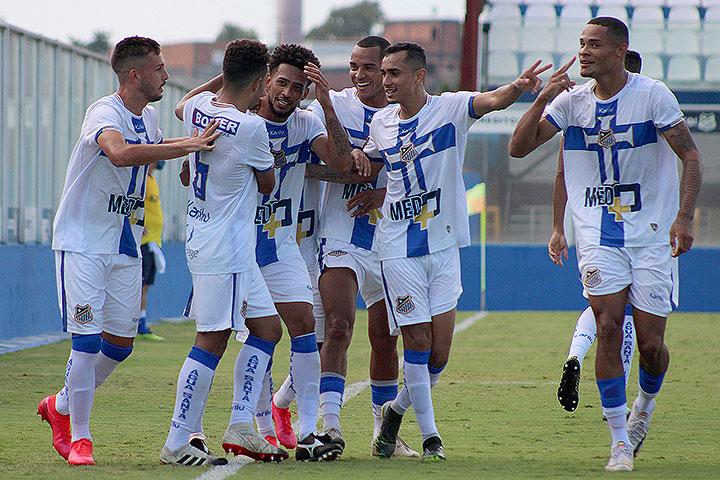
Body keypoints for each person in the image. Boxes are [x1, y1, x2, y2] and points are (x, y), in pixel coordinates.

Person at [510, 18, 702, 472]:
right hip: (597, 236)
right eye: (580, 44)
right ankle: (618, 442)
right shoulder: (570, 103)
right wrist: (541, 96)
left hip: (652, 236)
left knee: (652, 345)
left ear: (620, 51)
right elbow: (519, 149)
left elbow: (690, 155)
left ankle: (645, 408)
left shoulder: (653, 95)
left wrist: (684, 216)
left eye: (594, 44)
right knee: (609, 325)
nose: (584, 52)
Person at [37, 36, 220, 466]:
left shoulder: (151, 116)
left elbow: (158, 153)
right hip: (83, 245)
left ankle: (60, 405)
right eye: (159, 68)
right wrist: (183, 147)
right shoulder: (104, 112)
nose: (166, 75)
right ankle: (79, 437)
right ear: (134, 74)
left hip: (125, 244)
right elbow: (118, 154)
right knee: (85, 341)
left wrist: (189, 155)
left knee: (120, 344)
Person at [369, 42, 551, 461]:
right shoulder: (381, 123)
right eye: (384, 73)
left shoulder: (451, 108)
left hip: (445, 243)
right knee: (415, 339)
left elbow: (490, 101)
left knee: (440, 353)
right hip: (397, 246)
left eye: (394, 73)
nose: (386, 81)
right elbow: (368, 160)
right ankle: (432, 437)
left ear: (419, 76)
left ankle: (395, 411)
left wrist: (520, 87)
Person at [278, 35, 417, 458]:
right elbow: (303, 157)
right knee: (337, 328)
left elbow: (416, 173)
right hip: (337, 235)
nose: (359, 75)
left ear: (389, 70)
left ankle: (383, 431)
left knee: (384, 339)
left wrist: (381, 191)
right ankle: (331, 427)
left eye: (370, 68)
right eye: (354, 66)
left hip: (389, 239)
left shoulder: (405, 115)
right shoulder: (329, 104)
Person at [161, 38, 288, 467]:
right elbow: (269, 184)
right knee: (212, 339)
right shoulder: (252, 128)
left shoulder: (199, 109)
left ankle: (240, 424)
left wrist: (231, 79)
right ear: (259, 82)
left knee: (268, 329)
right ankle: (178, 438)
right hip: (226, 248)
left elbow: (183, 106)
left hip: (213, 238)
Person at [249, 43, 363, 461]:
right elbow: (188, 114)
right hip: (240, 248)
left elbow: (341, 162)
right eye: (282, 83)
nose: (288, 93)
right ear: (265, 80)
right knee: (253, 339)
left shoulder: (306, 120)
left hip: (288, 246)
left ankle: (309, 428)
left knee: (306, 332)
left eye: (298, 87)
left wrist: (326, 103)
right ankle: (259, 427)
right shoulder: (242, 120)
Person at [552, 50, 643, 413]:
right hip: (634, 222)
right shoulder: (646, 110)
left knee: (603, 306)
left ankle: (575, 355)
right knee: (629, 312)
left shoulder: (581, 112)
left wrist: (558, 228)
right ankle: (619, 401)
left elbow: (562, 174)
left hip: (591, 221)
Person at [138, 160, 166, 340]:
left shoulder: (151, 180)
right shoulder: (142, 180)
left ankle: (141, 322)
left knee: (145, 285)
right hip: (143, 242)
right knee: (138, 286)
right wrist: (138, 224)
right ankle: (134, 324)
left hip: (153, 242)